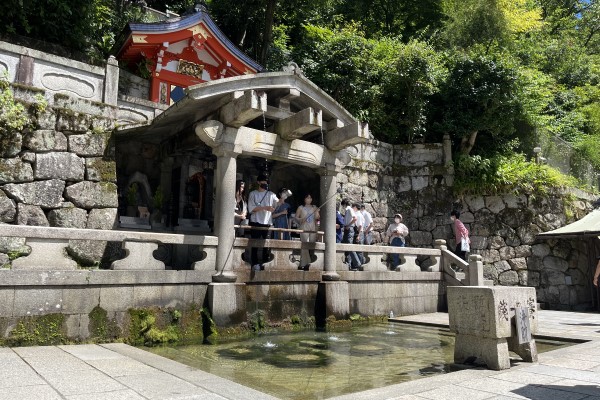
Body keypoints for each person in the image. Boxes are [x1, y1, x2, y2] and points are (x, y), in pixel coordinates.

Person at [247, 174, 278, 270]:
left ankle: (265, 263)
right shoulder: (253, 194)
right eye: (263, 182)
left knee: (267, 244)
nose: (265, 184)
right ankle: (254, 263)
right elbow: (251, 209)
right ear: (258, 182)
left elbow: (277, 202)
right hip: (255, 221)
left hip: (268, 222)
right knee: (255, 243)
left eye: (266, 182)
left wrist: (282, 199)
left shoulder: (271, 194)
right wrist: (265, 208)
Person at [295, 193, 319, 270]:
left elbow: (317, 218)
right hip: (304, 227)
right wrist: (302, 219)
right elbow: (296, 218)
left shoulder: (314, 207)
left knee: (312, 244)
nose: (309, 199)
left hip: (313, 227)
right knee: (304, 244)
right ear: (304, 199)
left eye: (310, 198)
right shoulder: (301, 208)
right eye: (307, 198)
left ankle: (312, 261)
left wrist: (317, 212)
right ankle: (304, 263)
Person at [341, 198, 361, 270]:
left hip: (349, 229)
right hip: (347, 228)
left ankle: (357, 263)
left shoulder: (349, 209)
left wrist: (348, 225)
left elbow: (355, 218)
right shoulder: (348, 210)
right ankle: (348, 264)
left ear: (344, 204)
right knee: (347, 246)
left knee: (349, 246)